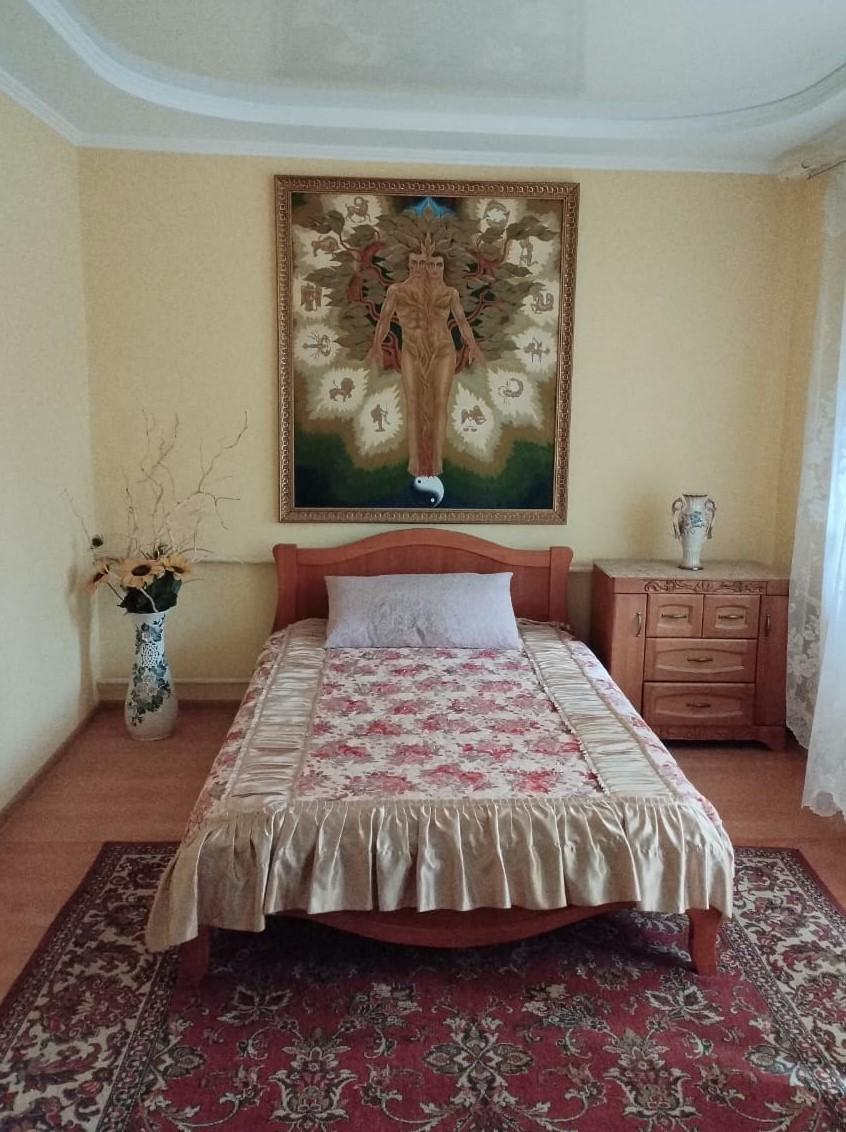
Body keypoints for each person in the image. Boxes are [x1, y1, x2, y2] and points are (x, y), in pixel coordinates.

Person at [365, 236, 483, 478]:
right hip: (412, 350)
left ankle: (437, 458)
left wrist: (473, 345)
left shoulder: (448, 292)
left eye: (428, 263)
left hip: (443, 349)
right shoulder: (397, 290)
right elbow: (384, 319)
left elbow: (461, 321)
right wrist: (376, 345)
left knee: (440, 403)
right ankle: (414, 458)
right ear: (408, 265)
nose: (423, 268)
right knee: (413, 402)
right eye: (417, 263)